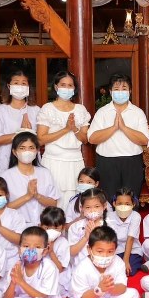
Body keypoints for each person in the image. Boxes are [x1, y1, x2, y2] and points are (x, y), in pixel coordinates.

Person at [87, 73, 149, 202]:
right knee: (109, 202)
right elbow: (92, 138)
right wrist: (114, 127)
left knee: (131, 200)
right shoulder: (102, 112)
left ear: (130, 91)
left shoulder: (138, 112)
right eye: (116, 89)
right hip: (107, 162)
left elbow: (145, 139)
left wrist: (124, 128)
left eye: (124, 88)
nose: (120, 92)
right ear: (110, 92)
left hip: (132, 162)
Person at [68, 226, 139, 298]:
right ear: (89, 249)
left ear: (115, 250)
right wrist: (100, 289)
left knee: (133, 294)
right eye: (100, 251)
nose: (105, 256)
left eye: (110, 251)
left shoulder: (118, 262)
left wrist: (111, 287)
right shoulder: (82, 268)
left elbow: (123, 288)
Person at [36, 71, 91, 206]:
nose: (66, 88)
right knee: (53, 198)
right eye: (63, 85)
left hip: (75, 160)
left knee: (75, 199)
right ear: (56, 87)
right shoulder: (47, 108)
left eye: (70, 85)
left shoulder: (80, 109)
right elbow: (41, 139)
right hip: (53, 160)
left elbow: (85, 139)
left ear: (74, 88)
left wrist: (75, 129)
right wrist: (66, 129)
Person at [0, 132, 59, 226]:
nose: (27, 151)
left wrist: (37, 196)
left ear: (37, 150)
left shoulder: (45, 173)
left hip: (43, 226)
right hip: (16, 227)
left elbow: (54, 204)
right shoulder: (5, 176)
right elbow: (3, 208)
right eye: (22, 148)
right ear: (14, 152)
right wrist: (27, 196)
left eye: (31, 148)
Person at [0, 70, 40, 173]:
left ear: (28, 87)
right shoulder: (0, 111)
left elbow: (41, 138)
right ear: (9, 86)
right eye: (16, 83)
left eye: (24, 83)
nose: (20, 86)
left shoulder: (36, 110)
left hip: (32, 162)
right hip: (5, 161)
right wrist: (21, 132)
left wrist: (30, 134)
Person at [0, 176, 27, 273]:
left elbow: (20, 240)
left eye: (0, 195)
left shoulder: (15, 215)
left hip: (10, 261)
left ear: (6, 195)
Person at [67, 188, 108, 269]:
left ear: (104, 206)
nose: (92, 210)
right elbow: (72, 252)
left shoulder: (110, 226)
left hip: (101, 269)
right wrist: (86, 237)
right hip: (79, 269)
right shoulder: (75, 227)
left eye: (97, 206)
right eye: (88, 207)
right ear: (81, 208)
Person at [105, 187, 143, 276]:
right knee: (113, 270)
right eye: (119, 203)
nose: (123, 207)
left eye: (127, 204)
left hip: (132, 250)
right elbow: (110, 238)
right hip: (116, 249)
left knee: (128, 271)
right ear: (114, 204)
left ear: (133, 204)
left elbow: (130, 239)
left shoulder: (135, 216)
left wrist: (125, 260)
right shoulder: (109, 216)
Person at [40, 207, 71, 298]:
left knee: (51, 293)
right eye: (47, 227)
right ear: (40, 226)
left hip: (59, 278)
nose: (51, 231)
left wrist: (51, 252)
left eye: (56, 228)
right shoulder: (38, 241)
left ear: (63, 228)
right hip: (42, 276)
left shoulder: (63, 243)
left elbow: (60, 269)